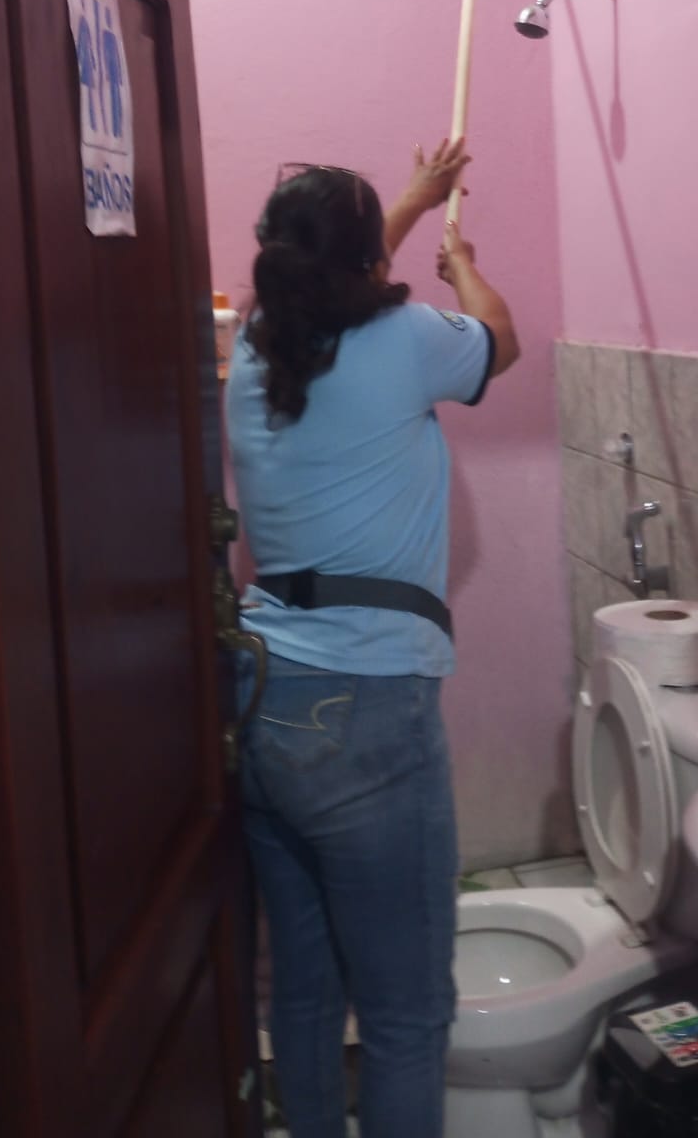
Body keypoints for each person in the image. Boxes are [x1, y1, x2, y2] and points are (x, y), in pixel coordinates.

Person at [226, 139, 519, 1138]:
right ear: (364, 264)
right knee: (404, 1016)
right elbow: (502, 341)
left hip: (261, 695)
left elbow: (329, 276)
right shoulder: (409, 339)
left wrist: (412, 198)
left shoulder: (256, 342)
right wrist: (462, 262)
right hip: (366, 709)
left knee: (305, 994)